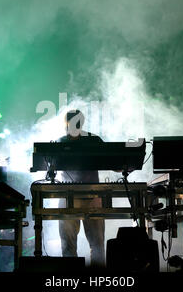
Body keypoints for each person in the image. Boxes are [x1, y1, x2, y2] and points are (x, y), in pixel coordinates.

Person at [56, 110, 105, 267]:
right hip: (78, 196)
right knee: (89, 244)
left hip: (86, 196)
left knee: (91, 244)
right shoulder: (91, 140)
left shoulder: (92, 140)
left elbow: (110, 158)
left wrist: (123, 164)